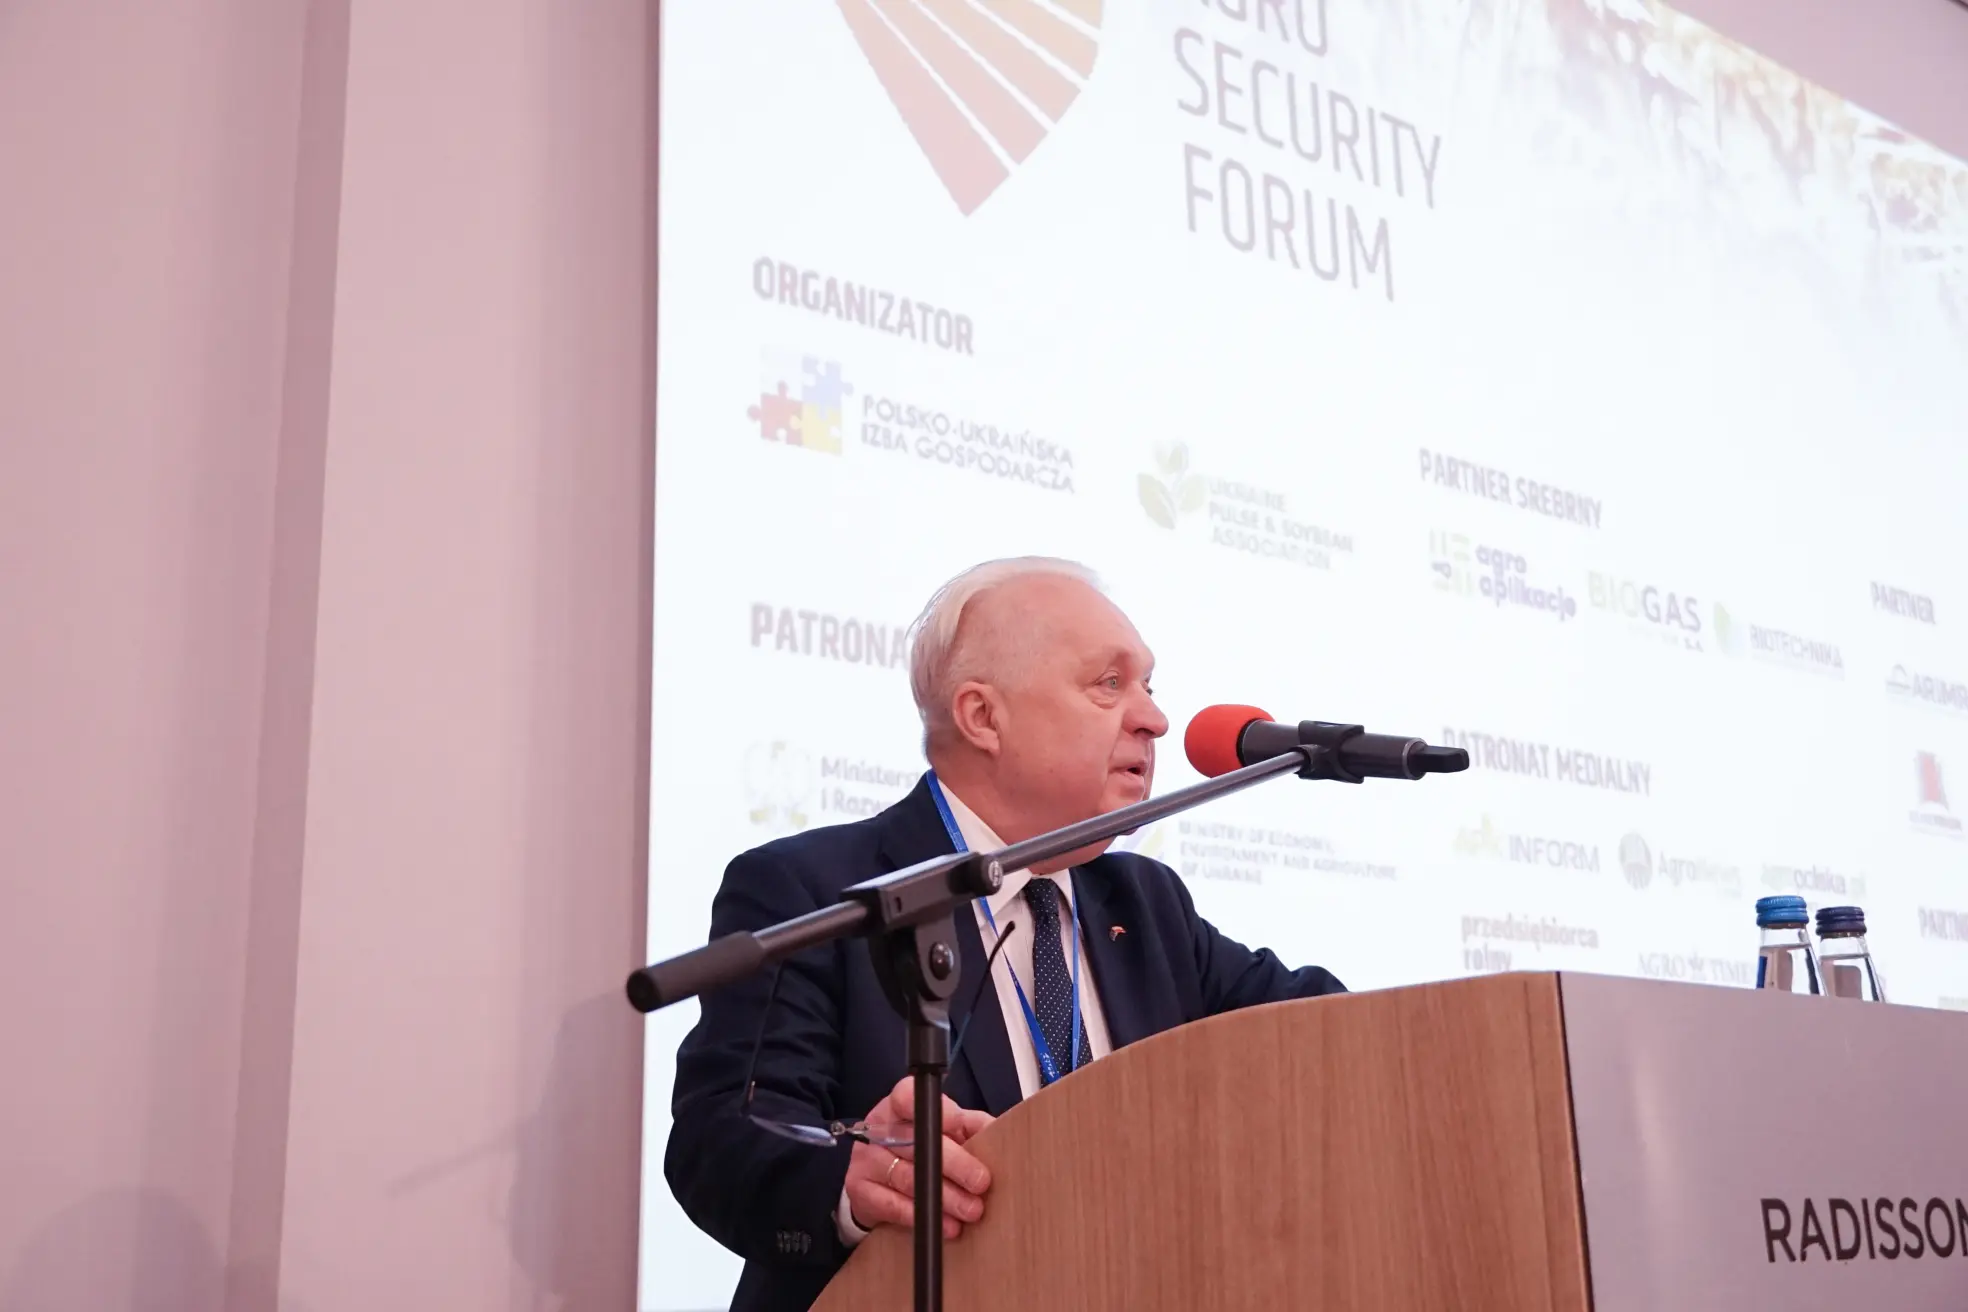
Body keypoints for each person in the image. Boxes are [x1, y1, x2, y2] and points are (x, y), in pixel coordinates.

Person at [666, 557, 1347, 1312]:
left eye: (1150, 688)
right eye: (1109, 684)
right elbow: (721, 1137)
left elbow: (1324, 1035)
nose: (1154, 720)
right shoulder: (815, 889)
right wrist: (851, 1174)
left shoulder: (1147, 905)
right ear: (983, 717)